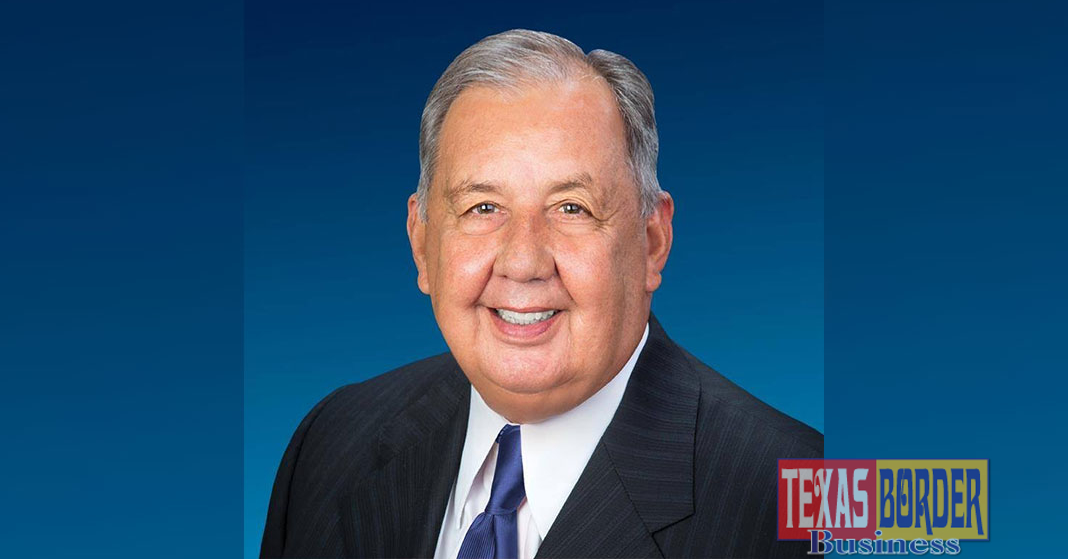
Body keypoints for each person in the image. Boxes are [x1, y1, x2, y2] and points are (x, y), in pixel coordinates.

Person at [261, 29, 822, 559]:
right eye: (483, 207)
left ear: (652, 242)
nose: (524, 262)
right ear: (422, 244)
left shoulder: (813, 499)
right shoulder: (331, 442)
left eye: (571, 208)